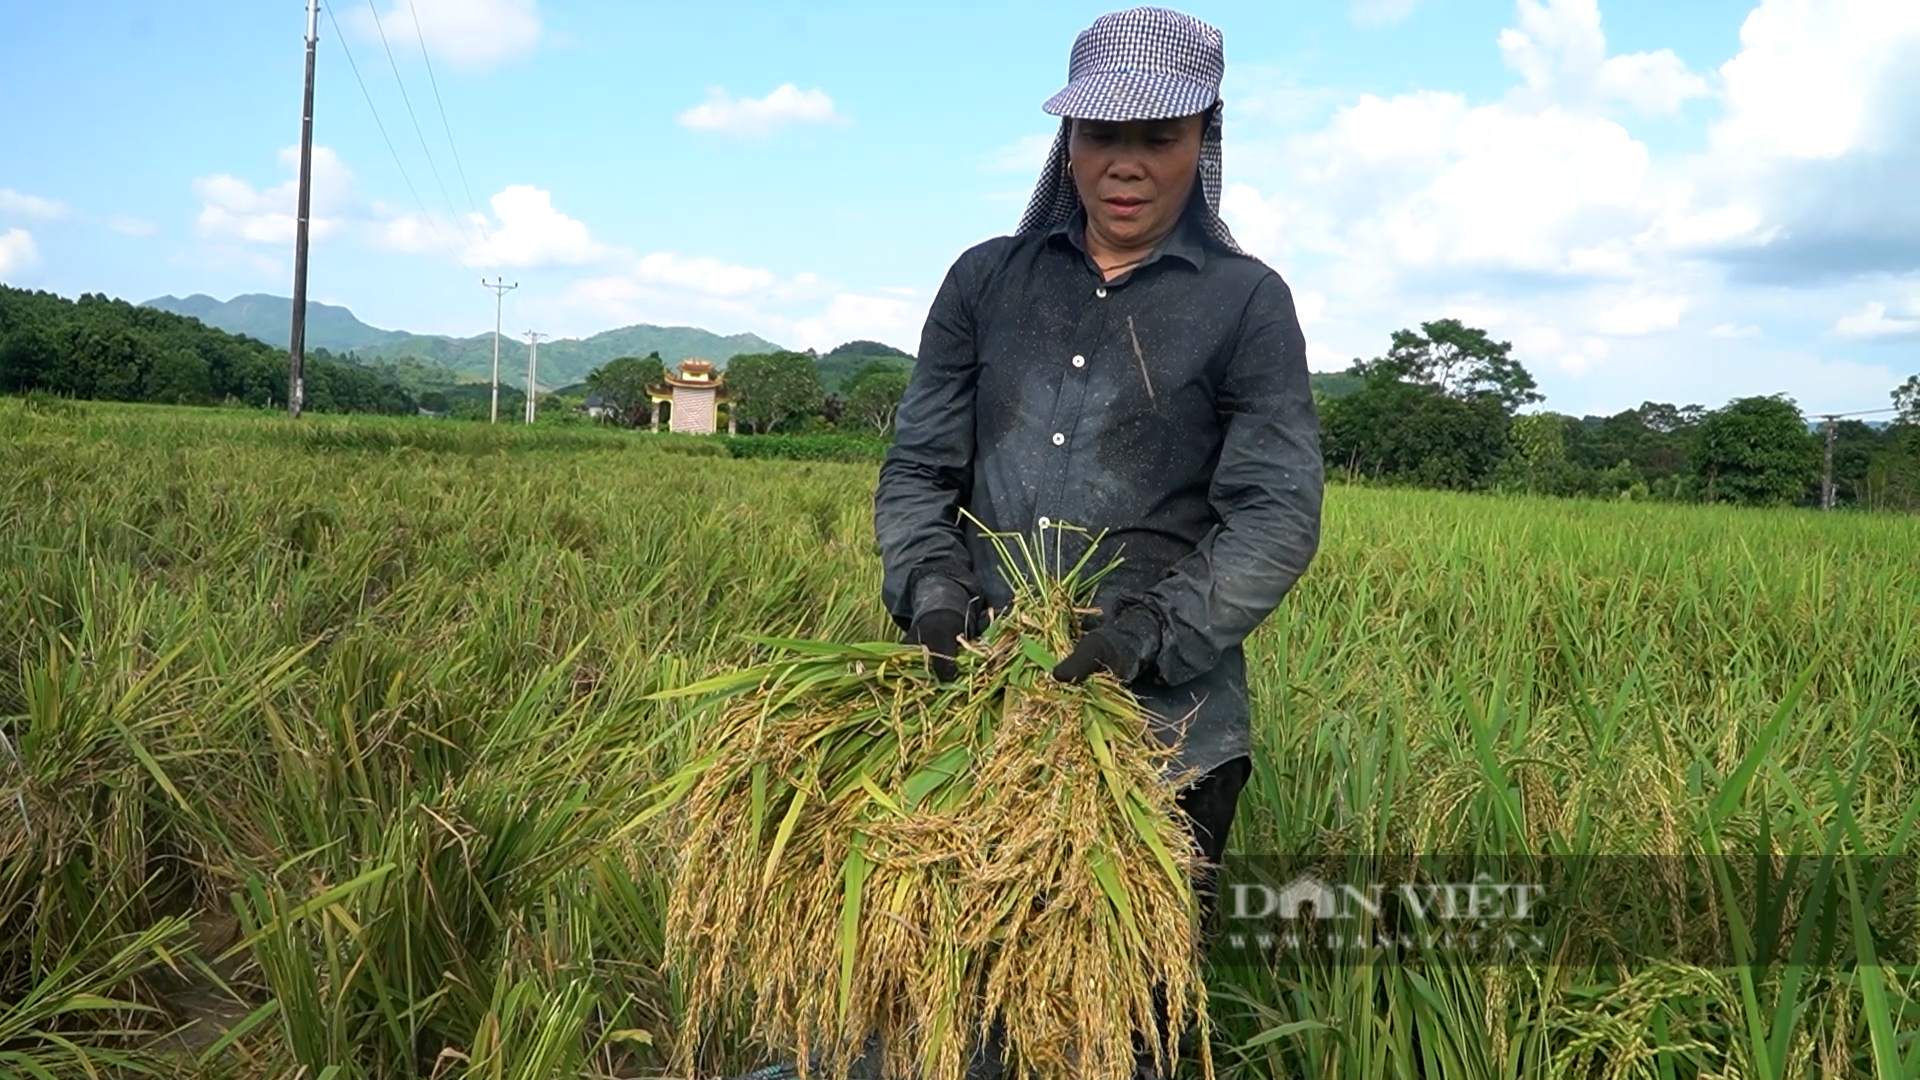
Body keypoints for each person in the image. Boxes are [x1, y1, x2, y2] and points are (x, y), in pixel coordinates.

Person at [872, 6, 1324, 1077]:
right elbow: (919, 471)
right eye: (1100, 135)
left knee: (1123, 1023)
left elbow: (1275, 516)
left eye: (1157, 136)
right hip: (975, 706)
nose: (1125, 164)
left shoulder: (1247, 304)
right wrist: (932, 591)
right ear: (1067, 141)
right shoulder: (986, 281)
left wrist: (1145, 637)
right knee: (952, 993)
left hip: (1169, 739)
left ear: (1203, 139)